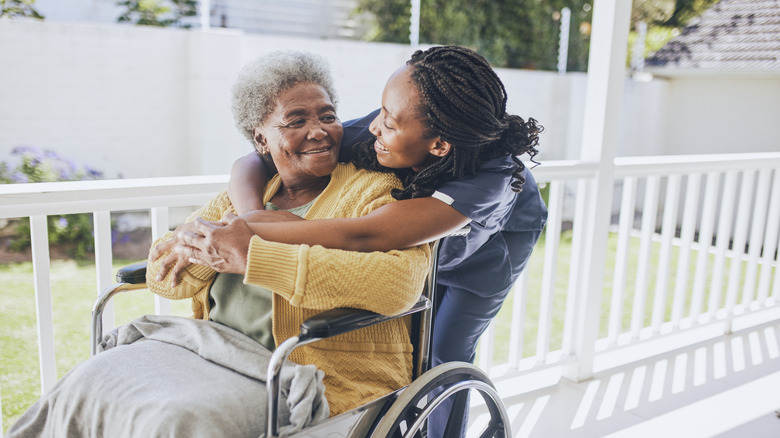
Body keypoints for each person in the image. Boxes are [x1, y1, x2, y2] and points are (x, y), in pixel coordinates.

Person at [8, 51, 431, 437]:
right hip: (213, 352)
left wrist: (252, 256)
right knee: (84, 385)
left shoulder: (374, 191)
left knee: (175, 423)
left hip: (310, 371)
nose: (318, 131)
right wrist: (199, 248)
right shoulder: (241, 197)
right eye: (296, 121)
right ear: (261, 139)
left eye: (327, 116)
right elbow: (164, 278)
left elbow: (398, 284)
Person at [177, 45, 547, 437]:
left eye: (388, 123)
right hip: (416, 239)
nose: (373, 128)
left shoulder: (492, 181)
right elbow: (251, 161)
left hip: (487, 252)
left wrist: (249, 234)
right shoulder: (390, 123)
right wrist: (248, 217)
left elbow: (367, 232)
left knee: (442, 352)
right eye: (380, 113)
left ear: (438, 145)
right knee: (403, 333)